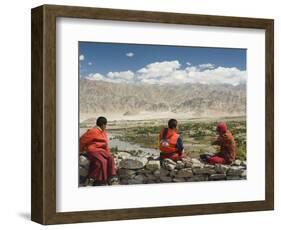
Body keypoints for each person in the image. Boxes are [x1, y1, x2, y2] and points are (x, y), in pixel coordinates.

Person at [80, 116, 116, 185]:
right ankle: (101, 180)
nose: (106, 127)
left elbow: (105, 145)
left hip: (101, 151)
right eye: (105, 125)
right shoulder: (93, 131)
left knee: (110, 158)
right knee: (102, 161)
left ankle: (111, 177)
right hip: (93, 150)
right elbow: (82, 140)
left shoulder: (103, 132)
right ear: (103, 125)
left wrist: (108, 153)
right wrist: (82, 150)